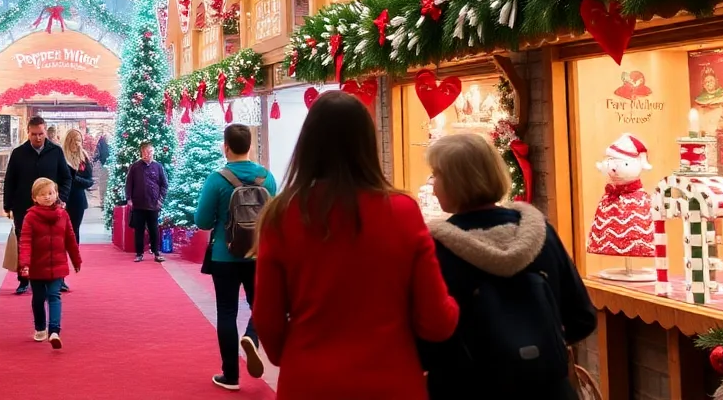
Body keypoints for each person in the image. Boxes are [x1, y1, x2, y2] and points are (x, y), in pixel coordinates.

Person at [252, 92, 459, 400]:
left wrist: (298, 353)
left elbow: (267, 319)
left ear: (307, 145)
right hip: (391, 380)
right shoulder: (402, 211)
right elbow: (436, 322)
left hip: (309, 381)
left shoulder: (281, 215)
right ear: (367, 144)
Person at [418, 133, 597, 400]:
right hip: (547, 389)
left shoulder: (436, 249)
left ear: (457, 182)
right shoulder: (541, 234)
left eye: (437, 176)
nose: (433, 186)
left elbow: (427, 340)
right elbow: (582, 318)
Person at [195, 124, 278, 391]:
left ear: (226, 146)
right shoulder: (267, 178)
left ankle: (230, 375)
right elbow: (274, 218)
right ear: (250, 146)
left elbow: (203, 221)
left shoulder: (217, 179)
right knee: (261, 305)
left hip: (224, 256)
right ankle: (252, 337)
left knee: (227, 312)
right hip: (258, 254)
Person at [2, 116, 72, 294]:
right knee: (24, 244)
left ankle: (59, 279)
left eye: (41, 134)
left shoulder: (56, 152)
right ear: (28, 132)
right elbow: (10, 181)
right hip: (23, 208)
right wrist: (7, 205)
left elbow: (66, 178)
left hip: (51, 208)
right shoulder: (18, 153)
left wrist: (61, 198)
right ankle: (24, 280)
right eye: (34, 134)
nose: (38, 138)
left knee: (54, 243)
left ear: (45, 131)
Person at [18, 178, 82, 350]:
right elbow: (25, 242)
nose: (47, 197)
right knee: (38, 298)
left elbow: (70, 239)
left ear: (56, 194)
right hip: (37, 266)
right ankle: (40, 327)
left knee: (54, 296)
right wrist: (24, 263)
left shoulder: (63, 215)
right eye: (42, 194)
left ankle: (54, 331)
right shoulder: (30, 217)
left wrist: (76, 260)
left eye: (51, 193)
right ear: (34, 198)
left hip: (57, 265)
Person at [125, 141, 168, 262]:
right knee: (139, 230)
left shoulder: (158, 167)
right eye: (144, 152)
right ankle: (139, 253)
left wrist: (160, 200)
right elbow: (129, 184)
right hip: (138, 204)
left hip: (153, 204)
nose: (147, 154)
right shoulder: (135, 166)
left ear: (153, 152)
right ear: (141, 153)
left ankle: (156, 252)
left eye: (149, 152)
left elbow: (164, 184)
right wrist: (129, 199)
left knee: (154, 229)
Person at [62, 128, 94, 244]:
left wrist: (74, 178)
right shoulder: (61, 157)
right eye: (74, 140)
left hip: (78, 199)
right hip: (63, 198)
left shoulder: (84, 157)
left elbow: (90, 181)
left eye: (79, 140)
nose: (76, 143)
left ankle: (74, 255)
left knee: (74, 229)